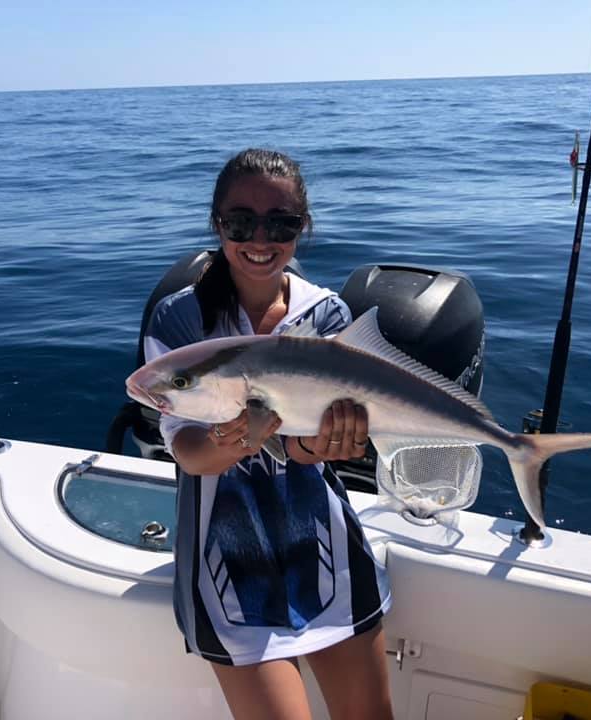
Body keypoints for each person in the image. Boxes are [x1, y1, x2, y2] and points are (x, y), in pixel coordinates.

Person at [142, 148, 393, 720]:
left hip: (325, 548)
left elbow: (307, 450)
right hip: (225, 561)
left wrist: (334, 441)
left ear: (302, 228)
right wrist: (234, 440)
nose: (260, 237)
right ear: (217, 224)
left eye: (281, 222)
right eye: (240, 222)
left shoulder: (327, 314)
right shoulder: (179, 321)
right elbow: (187, 450)